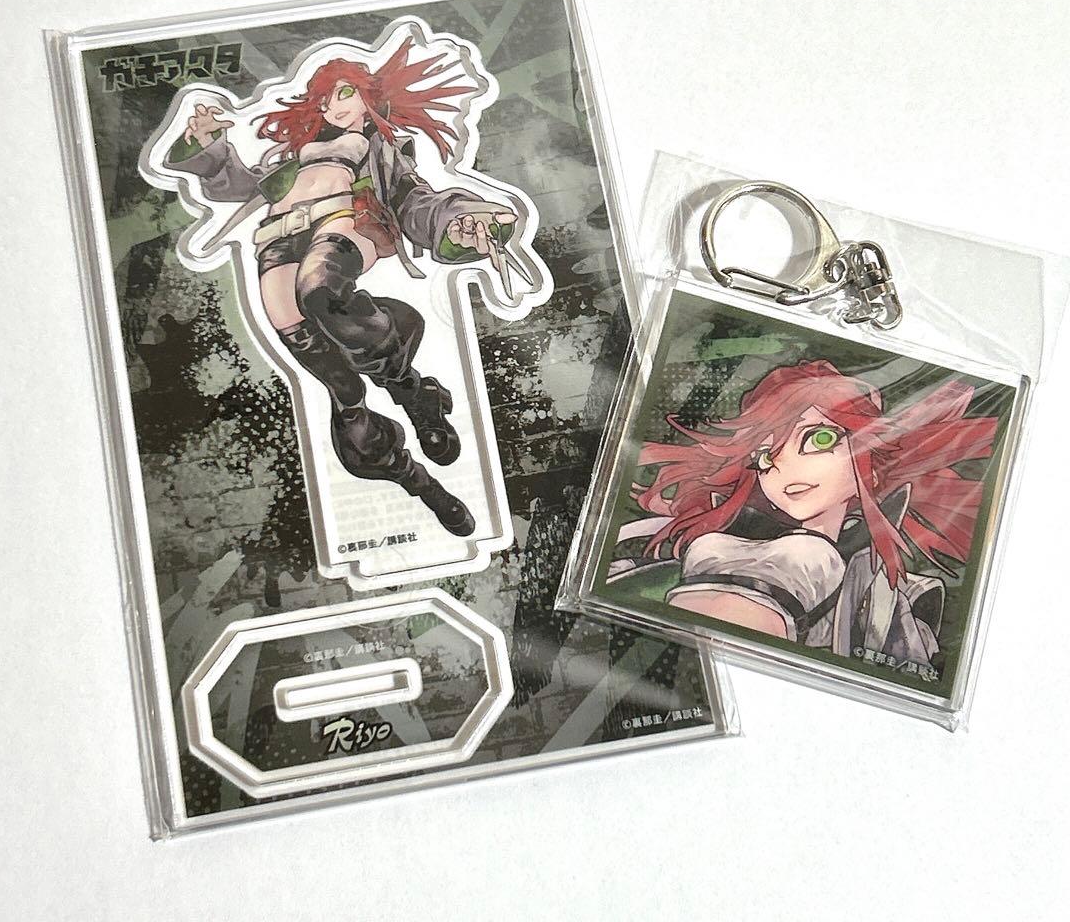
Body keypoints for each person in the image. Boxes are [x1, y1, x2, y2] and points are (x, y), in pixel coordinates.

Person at [164, 38, 522, 536]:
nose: (333, 105)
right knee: (342, 390)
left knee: (321, 291)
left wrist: (458, 221)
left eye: (344, 92)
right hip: (276, 240)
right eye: (325, 97)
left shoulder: (380, 148)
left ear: (368, 95)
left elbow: (414, 199)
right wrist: (209, 146)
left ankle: (411, 392)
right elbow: (240, 185)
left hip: (344, 222)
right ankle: (420, 479)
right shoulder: (292, 154)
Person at [611, 360, 998, 668]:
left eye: (819, 439)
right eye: (765, 455)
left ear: (871, 463)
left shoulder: (894, 590)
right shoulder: (741, 548)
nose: (782, 466)